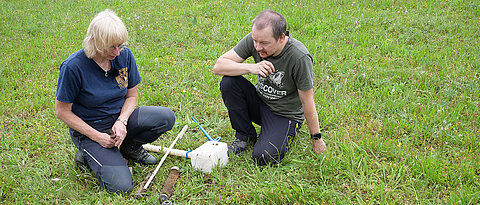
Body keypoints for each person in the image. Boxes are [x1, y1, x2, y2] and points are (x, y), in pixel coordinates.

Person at [55, 9, 175, 193]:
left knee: (166, 117)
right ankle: (87, 154)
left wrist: (122, 121)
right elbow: (62, 112)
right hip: (91, 130)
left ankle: (129, 147)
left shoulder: (124, 55)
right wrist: (98, 137)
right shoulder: (73, 67)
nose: (117, 52)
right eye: (111, 46)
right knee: (121, 186)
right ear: (95, 42)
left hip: (119, 119)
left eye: (120, 45)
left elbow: (132, 96)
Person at [213, 10, 327, 166]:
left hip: (285, 115)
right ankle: (244, 135)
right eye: (255, 41)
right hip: (260, 102)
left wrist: (316, 138)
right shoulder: (256, 39)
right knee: (229, 82)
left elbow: (307, 100)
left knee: (264, 157)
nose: (258, 47)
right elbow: (218, 66)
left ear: (281, 38)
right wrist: (251, 67)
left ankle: (275, 134)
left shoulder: (299, 57)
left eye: (265, 43)